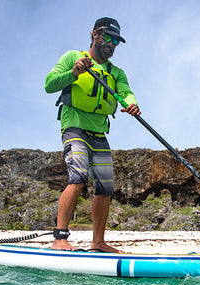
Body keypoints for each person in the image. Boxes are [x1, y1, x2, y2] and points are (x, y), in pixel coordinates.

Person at [45, 17, 140, 252]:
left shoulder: (115, 72)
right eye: (107, 37)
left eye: (116, 41)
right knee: (78, 175)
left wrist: (132, 104)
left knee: (106, 187)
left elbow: (126, 92)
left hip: (99, 132)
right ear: (95, 34)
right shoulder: (72, 57)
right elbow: (49, 84)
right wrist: (74, 72)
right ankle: (59, 238)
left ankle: (98, 243)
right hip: (74, 126)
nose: (111, 43)